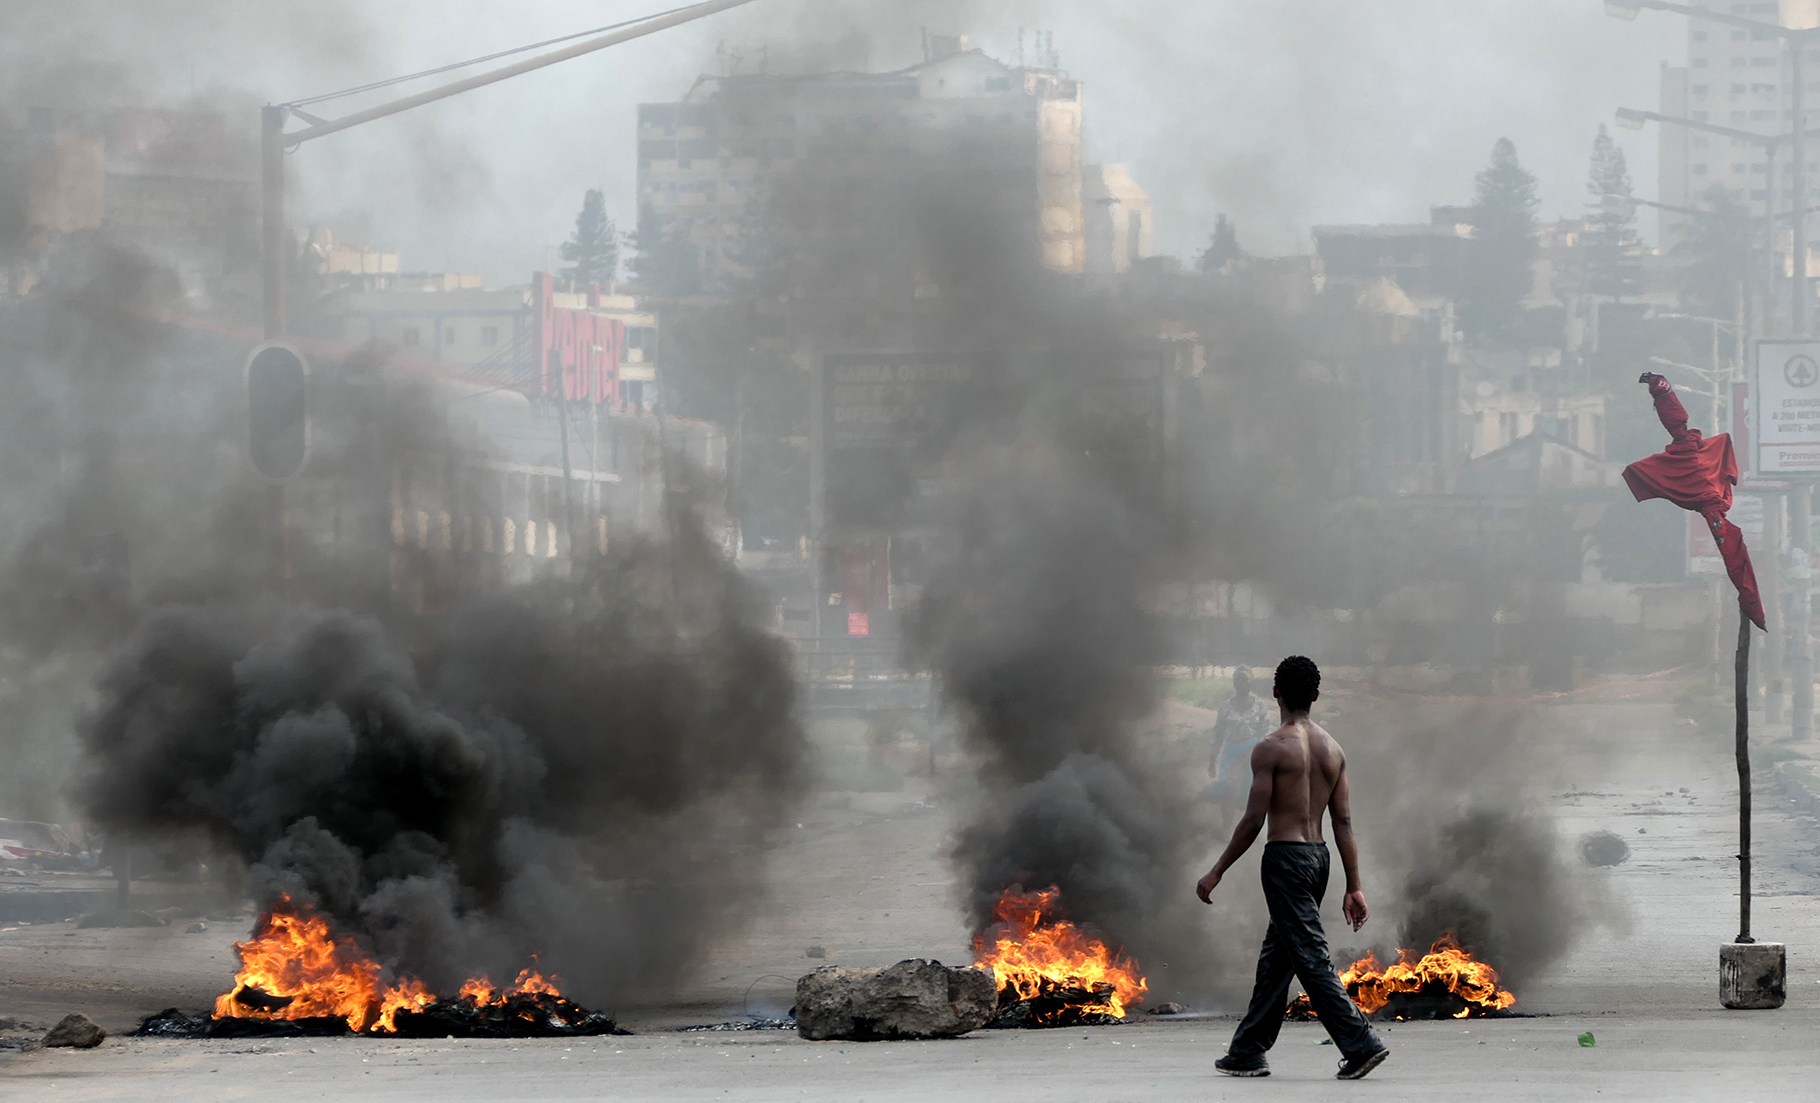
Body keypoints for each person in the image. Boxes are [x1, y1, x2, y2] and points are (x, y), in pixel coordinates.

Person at [1195, 656, 1389, 1081]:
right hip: (1319, 859)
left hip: (1284, 859)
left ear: (1275, 692)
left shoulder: (1270, 747)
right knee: (1278, 957)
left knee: (1308, 956)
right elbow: (1343, 822)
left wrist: (1217, 870)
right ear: (1316, 696)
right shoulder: (1333, 749)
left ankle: (1361, 1044)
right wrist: (1353, 885)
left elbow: (1252, 819)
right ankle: (1247, 1050)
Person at [1206, 666, 1273, 822]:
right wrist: (1212, 759)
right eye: (1238, 680)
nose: (1241, 684)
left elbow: (1266, 733)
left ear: (1251, 684)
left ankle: (1247, 828)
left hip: (1252, 752)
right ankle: (1227, 827)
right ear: (1234, 683)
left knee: (1248, 793)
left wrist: (1262, 756)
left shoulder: (1260, 706)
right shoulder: (1225, 707)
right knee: (1226, 790)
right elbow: (1218, 733)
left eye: (1245, 680)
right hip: (1231, 751)